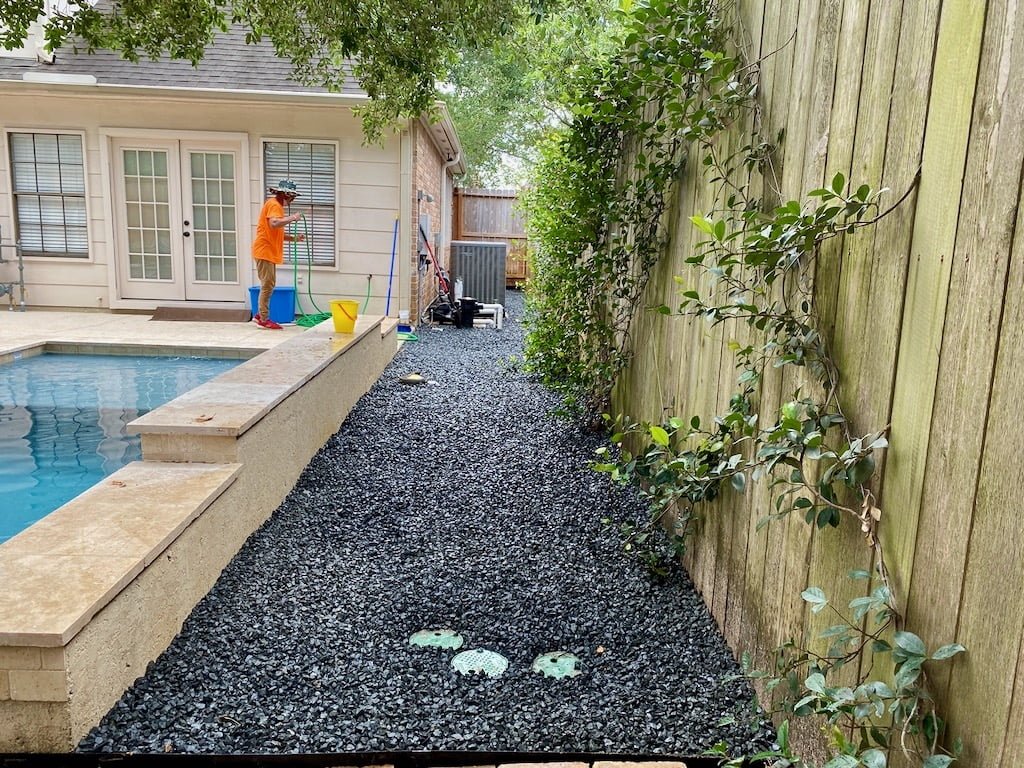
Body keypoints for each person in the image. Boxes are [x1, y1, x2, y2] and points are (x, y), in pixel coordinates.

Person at [252, 179, 304, 329]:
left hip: (267, 251)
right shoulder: (274, 205)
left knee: (269, 284)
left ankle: (259, 315)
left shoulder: (275, 205)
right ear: (286, 195)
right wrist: (292, 218)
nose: (292, 200)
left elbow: (276, 231)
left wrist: (294, 238)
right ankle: (263, 319)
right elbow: (274, 224)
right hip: (264, 250)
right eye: (292, 197)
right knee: (267, 285)